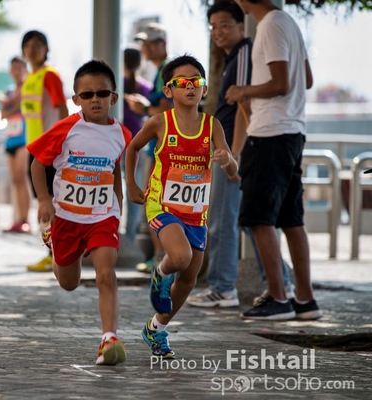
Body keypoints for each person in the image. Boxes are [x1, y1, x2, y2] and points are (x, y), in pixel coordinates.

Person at [126, 55, 238, 358]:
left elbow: (233, 171)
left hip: (195, 214)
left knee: (188, 279)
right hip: (162, 205)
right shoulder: (160, 123)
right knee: (179, 257)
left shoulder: (213, 126)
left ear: (204, 89)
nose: (190, 87)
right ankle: (160, 273)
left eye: (196, 82)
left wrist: (228, 161)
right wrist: (132, 185)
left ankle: (156, 329)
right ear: (168, 90)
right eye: (182, 83)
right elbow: (132, 148)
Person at [187, 0, 294, 309]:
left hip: (237, 150)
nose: (218, 32)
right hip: (231, 149)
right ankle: (280, 283)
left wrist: (232, 155)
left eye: (224, 25)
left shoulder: (245, 52)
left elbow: (244, 107)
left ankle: (223, 288)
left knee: (224, 219)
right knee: (250, 221)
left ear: (239, 25)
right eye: (213, 27)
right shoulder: (233, 57)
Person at [28, 60, 131, 365]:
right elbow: (37, 163)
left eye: (102, 93)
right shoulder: (67, 128)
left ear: (113, 97)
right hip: (67, 217)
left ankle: (109, 338)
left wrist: (119, 206)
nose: (95, 99)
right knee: (69, 283)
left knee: (105, 275)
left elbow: (115, 170)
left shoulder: (122, 134)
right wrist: (44, 200)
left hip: (102, 216)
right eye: (87, 95)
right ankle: (53, 244)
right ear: (76, 100)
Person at [226, 0, 321, 320]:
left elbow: (282, 84)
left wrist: (243, 91)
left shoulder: (269, 26)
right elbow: (305, 79)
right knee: (291, 220)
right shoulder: (289, 23)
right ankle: (305, 301)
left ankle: (279, 298)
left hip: (270, 134)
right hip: (292, 132)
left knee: (257, 218)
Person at [126, 22, 174, 274]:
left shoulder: (167, 69)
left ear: (162, 44)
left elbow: (166, 109)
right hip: (160, 145)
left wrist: (143, 108)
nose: (144, 48)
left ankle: (161, 256)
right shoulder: (161, 70)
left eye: (149, 43)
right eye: (143, 43)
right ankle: (161, 255)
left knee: (155, 201)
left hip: (162, 147)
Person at [20, 30, 68, 272]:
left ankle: (56, 254)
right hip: (34, 148)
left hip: (49, 150)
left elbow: (61, 109)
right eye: (28, 45)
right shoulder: (31, 77)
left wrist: (62, 141)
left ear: (46, 48)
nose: (33, 49)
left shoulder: (50, 76)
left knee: (49, 200)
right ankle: (53, 252)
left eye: (38, 44)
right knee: (43, 200)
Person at [0, 56, 32, 233]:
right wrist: (9, 104)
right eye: (13, 68)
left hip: (24, 139)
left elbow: (13, 105)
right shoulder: (10, 90)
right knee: (15, 179)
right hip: (11, 137)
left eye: (20, 68)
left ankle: (25, 219)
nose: (16, 72)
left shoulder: (27, 87)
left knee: (22, 176)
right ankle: (17, 218)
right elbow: (3, 114)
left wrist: (5, 102)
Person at [121, 46, 153, 245]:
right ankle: (130, 241)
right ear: (140, 64)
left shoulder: (115, 86)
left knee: (113, 191)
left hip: (117, 144)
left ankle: (113, 239)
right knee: (135, 194)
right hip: (139, 145)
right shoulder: (147, 88)